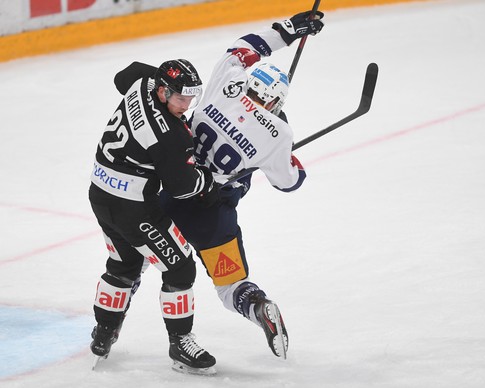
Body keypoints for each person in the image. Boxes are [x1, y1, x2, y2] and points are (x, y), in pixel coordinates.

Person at [158, 11, 325, 359]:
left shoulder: (227, 80)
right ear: (277, 102)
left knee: (142, 258)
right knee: (230, 286)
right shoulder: (279, 134)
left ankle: (108, 323)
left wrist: (288, 31)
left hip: (171, 192)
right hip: (213, 214)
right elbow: (288, 182)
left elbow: (245, 48)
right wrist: (287, 153)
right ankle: (259, 306)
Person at [89, 58, 219, 374]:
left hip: (100, 193)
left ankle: (103, 331)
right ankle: (180, 342)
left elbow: (125, 74)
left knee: (123, 264)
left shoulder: (141, 81)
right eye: (180, 97)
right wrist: (208, 178)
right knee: (180, 267)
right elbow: (182, 188)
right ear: (162, 91)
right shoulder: (171, 136)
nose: (186, 104)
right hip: (133, 208)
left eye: (191, 96)